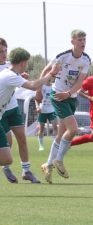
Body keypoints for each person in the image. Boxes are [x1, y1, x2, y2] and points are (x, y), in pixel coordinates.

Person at [40, 29, 91, 184]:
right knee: (73, 129)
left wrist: (69, 94)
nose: (83, 42)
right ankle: (59, 160)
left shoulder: (86, 60)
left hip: (69, 97)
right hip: (57, 96)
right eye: (80, 39)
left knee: (61, 133)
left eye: (84, 39)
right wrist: (39, 87)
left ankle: (48, 165)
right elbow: (46, 71)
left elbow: (80, 81)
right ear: (72, 41)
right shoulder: (62, 56)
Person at [0, 47, 57, 183]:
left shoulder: (10, 73)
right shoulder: (9, 75)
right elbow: (33, 85)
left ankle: (26, 170)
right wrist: (50, 75)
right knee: (6, 158)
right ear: (23, 63)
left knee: (7, 158)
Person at [35, 79, 58, 151]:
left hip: (52, 110)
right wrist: (37, 107)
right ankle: (41, 145)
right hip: (43, 110)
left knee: (55, 127)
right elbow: (36, 99)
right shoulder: (41, 86)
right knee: (41, 129)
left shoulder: (55, 86)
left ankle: (54, 145)